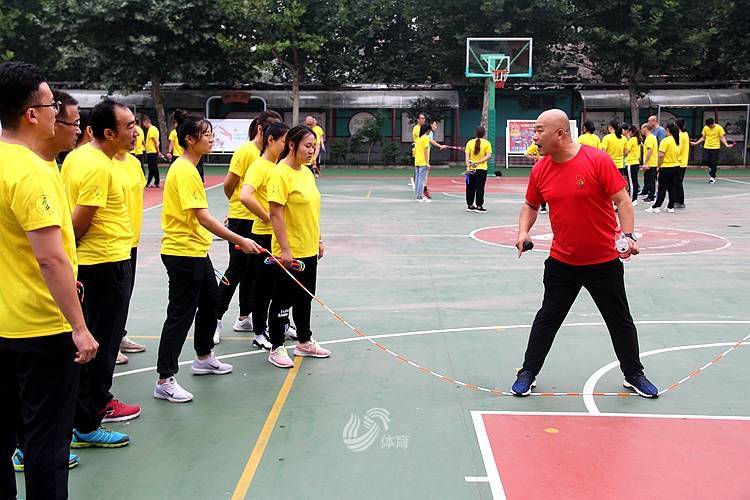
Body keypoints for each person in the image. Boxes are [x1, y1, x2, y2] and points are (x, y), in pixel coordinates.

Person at [1, 61, 98, 499]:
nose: (57, 110)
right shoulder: (32, 170)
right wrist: (78, 327)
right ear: (31, 114)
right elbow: (50, 260)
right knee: (46, 443)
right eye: (51, 103)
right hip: (39, 327)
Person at [511, 109, 658, 399]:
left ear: (560, 134)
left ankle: (633, 374)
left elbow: (623, 202)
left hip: (603, 262)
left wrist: (627, 237)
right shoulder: (541, 168)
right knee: (548, 318)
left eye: (540, 131)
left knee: (619, 320)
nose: (535, 136)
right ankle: (528, 372)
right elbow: (530, 205)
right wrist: (522, 232)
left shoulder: (596, 160)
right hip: (562, 263)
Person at [155, 116, 262, 403]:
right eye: (206, 134)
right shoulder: (184, 170)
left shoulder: (190, 167)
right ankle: (165, 379)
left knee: (212, 301)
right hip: (182, 253)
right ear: (190, 139)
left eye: (212, 134)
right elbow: (201, 216)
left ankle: (203, 357)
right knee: (180, 315)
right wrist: (239, 239)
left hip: (195, 251)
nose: (212, 138)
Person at [62, 99, 143, 447]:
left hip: (103, 260)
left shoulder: (81, 157)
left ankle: (85, 414)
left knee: (95, 343)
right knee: (101, 344)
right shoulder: (97, 166)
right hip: (103, 263)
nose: (136, 130)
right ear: (108, 133)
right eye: (128, 126)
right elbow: (80, 220)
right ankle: (88, 421)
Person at [265, 125, 330, 368]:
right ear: (292, 145)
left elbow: (313, 209)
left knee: (305, 297)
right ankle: (276, 346)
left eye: (314, 146)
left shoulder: (306, 172)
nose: (312, 151)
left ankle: (304, 340)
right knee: (282, 299)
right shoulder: (279, 174)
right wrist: (284, 249)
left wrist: (319, 240)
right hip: (289, 250)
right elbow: (275, 214)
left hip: (309, 247)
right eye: (307, 146)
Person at [215, 110, 282, 345]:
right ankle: (216, 317)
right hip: (242, 219)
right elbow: (229, 185)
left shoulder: (273, 157)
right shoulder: (246, 152)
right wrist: (235, 208)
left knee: (254, 272)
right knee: (236, 269)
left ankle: (245, 317)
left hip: (262, 221)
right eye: (272, 131)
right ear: (262, 130)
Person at [240, 122, 290, 351]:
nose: (287, 146)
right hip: (263, 237)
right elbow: (245, 195)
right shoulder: (259, 166)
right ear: (270, 140)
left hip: (279, 237)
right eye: (283, 141)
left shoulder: (278, 166)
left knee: (281, 285)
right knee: (264, 287)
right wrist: (266, 217)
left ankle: (281, 324)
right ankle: (259, 332)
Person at [112, 143, 148, 365]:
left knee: (125, 295)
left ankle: (119, 335)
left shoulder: (134, 163)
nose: (135, 133)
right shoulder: (104, 164)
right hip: (112, 243)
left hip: (131, 240)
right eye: (129, 127)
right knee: (111, 298)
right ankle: (108, 343)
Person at [646, 122, 681, 213]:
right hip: (676, 167)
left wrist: (658, 166)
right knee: (672, 188)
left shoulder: (665, 141)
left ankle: (656, 206)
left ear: (668, 130)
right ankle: (670, 206)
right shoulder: (677, 140)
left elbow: (661, 156)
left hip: (666, 167)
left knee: (662, 188)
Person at [690, 117, 735, 183]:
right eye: (708, 126)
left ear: (713, 123)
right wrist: (696, 143)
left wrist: (726, 145)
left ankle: (712, 178)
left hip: (715, 148)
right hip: (706, 147)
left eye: (711, 125)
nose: (710, 126)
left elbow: (722, 137)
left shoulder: (719, 128)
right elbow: (703, 137)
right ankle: (712, 167)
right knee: (704, 161)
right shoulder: (705, 128)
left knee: (713, 163)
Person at [464, 126, 492, 212]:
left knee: (470, 187)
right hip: (482, 169)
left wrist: (468, 166)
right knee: (480, 187)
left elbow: (467, 156)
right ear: (484, 134)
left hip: (471, 169)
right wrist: (478, 162)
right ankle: (479, 206)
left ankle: (470, 205)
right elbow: (488, 156)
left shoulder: (469, 143)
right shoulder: (487, 143)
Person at [423, 120, 448, 200]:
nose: (436, 127)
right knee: (425, 170)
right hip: (425, 152)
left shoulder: (426, 132)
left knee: (423, 171)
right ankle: (424, 190)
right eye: (435, 125)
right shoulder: (429, 133)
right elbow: (430, 141)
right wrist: (440, 146)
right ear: (431, 125)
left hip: (424, 151)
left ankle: (423, 188)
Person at [524, 142, 546, 214]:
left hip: (543, 168)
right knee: (543, 187)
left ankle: (544, 207)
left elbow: (526, 154)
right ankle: (544, 206)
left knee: (543, 187)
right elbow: (526, 154)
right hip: (542, 168)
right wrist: (537, 157)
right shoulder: (535, 144)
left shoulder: (536, 143)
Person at [623, 124, 642, 206]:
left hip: (631, 162)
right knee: (634, 181)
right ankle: (634, 198)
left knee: (631, 182)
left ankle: (633, 199)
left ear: (630, 132)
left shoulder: (631, 140)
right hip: (636, 162)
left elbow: (626, 152)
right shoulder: (638, 139)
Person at [142, 114, 161, 188]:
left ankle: (156, 182)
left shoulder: (152, 129)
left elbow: (155, 141)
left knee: (153, 167)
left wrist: (158, 151)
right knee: (151, 167)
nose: (144, 125)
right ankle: (150, 182)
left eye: (143, 123)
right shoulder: (152, 129)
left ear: (146, 122)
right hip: (150, 151)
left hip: (152, 151)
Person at [413, 123, 431, 203]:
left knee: (417, 179)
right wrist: (427, 163)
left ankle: (417, 195)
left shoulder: (418, 139)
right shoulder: (425, 138)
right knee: (421, 179)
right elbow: (426, 151)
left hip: (417, 161)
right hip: (423, 161)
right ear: (427, 130)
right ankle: (420, 196)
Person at [640, 123, 658, 201]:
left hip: (650, 163)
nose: (641, 130)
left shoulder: (650, 138)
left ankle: (651, 196)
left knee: (651, 180)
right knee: (648, 179)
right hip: (651, 162)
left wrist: (645, 163)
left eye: (642, 128)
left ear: (645, 128)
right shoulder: (650, 137)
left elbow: (649, 151)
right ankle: (649, 194)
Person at [674, 118, 690, 208]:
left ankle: (680, 201)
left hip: (679, 162)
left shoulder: (680, 135)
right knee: (678, 183)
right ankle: (677, 200)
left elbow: (678, 149)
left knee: (678, 183)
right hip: (683, 162)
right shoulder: (685, 134)